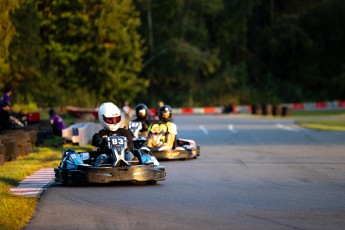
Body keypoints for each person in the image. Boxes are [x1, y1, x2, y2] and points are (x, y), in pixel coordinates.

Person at [92, 102, 137, 166]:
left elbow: (131, 145)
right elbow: (96, 141)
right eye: (110, 120)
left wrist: (127, 148)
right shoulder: (101, 134)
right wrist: (102, 141)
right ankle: (100, 168)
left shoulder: (124, 132)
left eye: (116, 119)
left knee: (129, 154)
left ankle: (134, 165)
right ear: (102, 118)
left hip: (125, 157)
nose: (114, 122)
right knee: (102, 156)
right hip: (109, 159)